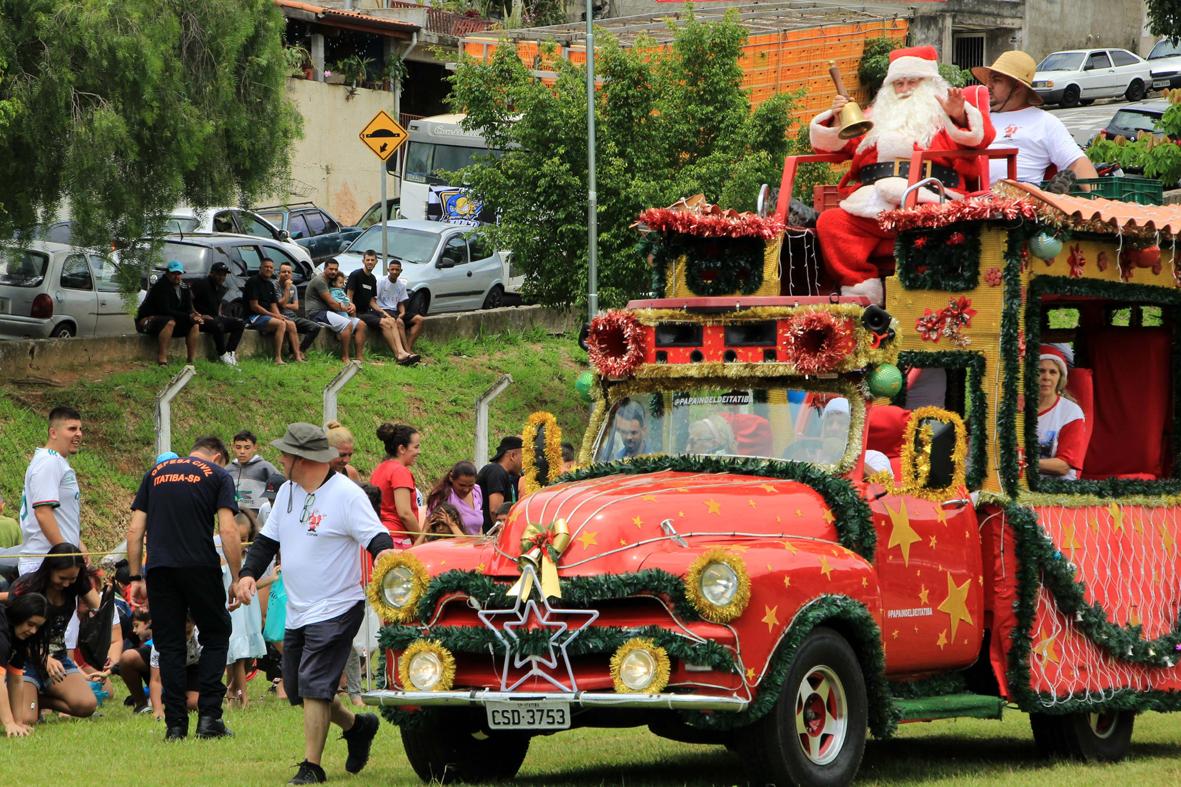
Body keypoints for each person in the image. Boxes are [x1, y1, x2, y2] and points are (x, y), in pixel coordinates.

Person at [236, 423, 393, 784]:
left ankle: (312, 767)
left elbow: (378, 537)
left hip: (338, 606)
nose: (280, 459)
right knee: (298, 689)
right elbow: (266, 543)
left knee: (314, 685)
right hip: (298, 608)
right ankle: (357, 726)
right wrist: (247, 574)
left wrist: (385, 556)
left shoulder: (346, 495)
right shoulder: (288, 491)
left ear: (302, 458)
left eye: (285, 454)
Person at [810, 46, 995, 305]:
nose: (905, 88)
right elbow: (834, 146)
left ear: (930, 83)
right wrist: (838, 119)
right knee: (832, 222)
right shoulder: (874, 119)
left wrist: (959, 115)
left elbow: (981, 137)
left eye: (913, 81)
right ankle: (862, 288)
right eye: (898, 83)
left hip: (930, 196)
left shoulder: (943, 116)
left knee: (928, 230)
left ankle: (921, 297)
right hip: (871, 203)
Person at [125, 436, 242, 741]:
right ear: (217, 457)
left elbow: (135, 529)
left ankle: (175, 725)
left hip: (160, 568)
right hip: (200, 565)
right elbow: (228, 529)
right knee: (216, 635)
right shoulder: (218, 475)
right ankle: (209, 718)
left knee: (170, 645)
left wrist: (136, 577)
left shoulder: (155, 473)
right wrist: (236, 577)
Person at [974, 51, 1099, 186]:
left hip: (1018, 199)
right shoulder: (976, 117)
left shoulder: (1045, 122)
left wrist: (1097, 201)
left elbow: (1077, 163)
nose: (988, 86)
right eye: (988, 80)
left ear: (1018, 87)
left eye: (997, 80)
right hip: (967, 197)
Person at [9, 544, 101, 723]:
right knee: (27, 719)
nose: (66, 583)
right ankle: (28, 698)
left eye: (72, 578)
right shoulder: (26, 587)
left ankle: (39, 700)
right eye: (62, 578)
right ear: (50, 568)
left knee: (87, 705)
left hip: (57, 657)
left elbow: (99, 607)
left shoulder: (73, 586)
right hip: (26, 658)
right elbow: (14, 633)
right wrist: (43, 658)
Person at [18, 406, 84, 575]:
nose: (78, 434)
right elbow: (43, 512)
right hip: (46, 563)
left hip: (56, 561)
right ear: (53, 433)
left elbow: (60, 516)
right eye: (72, 429)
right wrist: (68, 556)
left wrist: (78, 544)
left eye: (80, 429)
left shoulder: (56, 461)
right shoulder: (49, 461)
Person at [220, 511, 265, 708]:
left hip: (249, 614)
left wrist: (273, 578)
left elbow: (257, 584)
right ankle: (243, 697)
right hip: (234, 612)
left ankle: (231, 690)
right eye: (236, 539)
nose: (240, 544)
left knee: (246, 657)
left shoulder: (251, 564)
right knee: (237, 655)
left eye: (244, 539)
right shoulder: (223, 563)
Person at [347, 250, 417, 364]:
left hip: (367, 311)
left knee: (391, 320)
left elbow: (371, 301)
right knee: (385, 323)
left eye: (372, 260)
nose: (370, 262)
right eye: (367, 260)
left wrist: (383, 312)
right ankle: (398, 355)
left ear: (376, 262)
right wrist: (352, 314)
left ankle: (401, 351)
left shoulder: (372, 279)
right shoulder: (356, 275)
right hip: (357, 313)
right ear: (363, 261)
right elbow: (349, 296)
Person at [0, 592, 48, 736]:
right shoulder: (1, 634)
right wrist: (9, 723)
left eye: (37, 627)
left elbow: (15, 678)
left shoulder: (18, 636)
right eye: (30, 624)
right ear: (19, 615)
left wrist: (18, 722)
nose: (33, 631)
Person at [136, 260, 201, 365]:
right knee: (169, 322)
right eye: (173, 273)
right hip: (150, 319)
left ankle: (191, 360)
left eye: (178, 274)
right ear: (167, 273)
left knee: (195, 325)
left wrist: (193, 316)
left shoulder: (184, 287)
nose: (176, 276)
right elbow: (164, 310)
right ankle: (162, 358)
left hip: (173, 319)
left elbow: (188, 307)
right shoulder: (161, 286)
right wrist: (188, 316)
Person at [1036, 345, 1085, 480]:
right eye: (1040, 371)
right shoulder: (1017, 408)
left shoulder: (1071, 412)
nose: (1046, 377)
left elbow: (1063, 466)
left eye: (1053, 372)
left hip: (1058, 489)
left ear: (1060, 378)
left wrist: (1023, 464)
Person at [370, 424, 421, 548]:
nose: (419, 452)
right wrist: (421, 538)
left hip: (381, 535)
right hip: (398, 539)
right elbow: (405, 513)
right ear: (402, 449)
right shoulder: (400, 471)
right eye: (416, 447)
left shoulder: (381, 468)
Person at [306, 259, 366, 364]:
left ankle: (359, 357)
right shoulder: (320, 281)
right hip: (316, 313)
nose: (333, 272)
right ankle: (345, 357)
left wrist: (352, 306)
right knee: (347, 324)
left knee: (361, 324)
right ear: (324, 268)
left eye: (335, 269)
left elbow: (342, 298)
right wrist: (347, 308)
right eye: (331, 269)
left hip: (330, 312)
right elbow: (332, 303)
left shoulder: (332, 281)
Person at [244, 258, 300, 365]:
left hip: (266, 316)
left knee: (291, 324)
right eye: (266, 267)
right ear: (260, 268)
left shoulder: (269, 284)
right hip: (253, 316)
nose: (268, 269)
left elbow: (273, 305)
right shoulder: (253, 281)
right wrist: (275, 316)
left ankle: (298, 356)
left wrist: (279, 316)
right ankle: (278, 358)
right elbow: (255, 306)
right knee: (281, 324)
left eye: (271, 267)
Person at [190, 261, 245, 366]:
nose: (221, 277)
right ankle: (222, 354)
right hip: (200, 319)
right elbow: (188, 300)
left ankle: (230, 352)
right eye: (219, 274)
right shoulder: (202, 283)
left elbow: (218, 303)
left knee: (239, 323)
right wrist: (198, 314)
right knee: (217, 325)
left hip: (214, 317)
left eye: (224, 275)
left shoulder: (221, 288)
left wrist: (221, 315)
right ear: (212, 273)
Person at [147, 618, 201, 722]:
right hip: (171, 663)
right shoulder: (162, 641)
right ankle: (152, 701)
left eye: (188, 632)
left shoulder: (201, 637)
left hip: (193, 666)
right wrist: (157, 710)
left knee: (193, 703)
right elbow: (156, 680)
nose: (185, 637)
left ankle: (168, 700)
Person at [374, 259, 424, 364]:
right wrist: (382, 312)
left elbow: (400, 303)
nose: (394, 272)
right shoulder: (381, 282)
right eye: (392, 269)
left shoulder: (401, 285)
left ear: (401, 271)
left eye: (397, 270)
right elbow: (374, 299)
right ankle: (406, 353)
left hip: (395, 310)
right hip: (384, 309)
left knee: (419, 319)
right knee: (400, 322)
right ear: (388, 270)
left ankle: (408, 348)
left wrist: (403, 313)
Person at [276, 261, 323, 354]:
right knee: (291, 326)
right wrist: (286, 289)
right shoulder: (275, 285)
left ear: (292, 274)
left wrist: (284, 304)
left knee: (315, 327)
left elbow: (296, 306)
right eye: (284, 272)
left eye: (289, 272)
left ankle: (300, 351)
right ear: (278, 273)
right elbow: (280, 304)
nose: (286, 274)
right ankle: (294, 352)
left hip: (293, 316)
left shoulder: (293, 287)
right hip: (281, 317)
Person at [477, 436, 522, 532]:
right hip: (490, 536)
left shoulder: (501, 473)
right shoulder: (497, 472)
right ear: (513, 456)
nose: (524, 463)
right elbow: (495, 510)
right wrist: (500, 534)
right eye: (523, 457)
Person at [426, 461, 483, 535]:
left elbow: (479, 526)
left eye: (470, 485)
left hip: (475, 545)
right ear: (451, 478)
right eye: (462, 485)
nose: (466, 489)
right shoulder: (442, 495)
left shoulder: (477, 490)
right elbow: (430, 524)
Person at [230, 431, 279, 513]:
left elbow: (282, 485)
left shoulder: (265, 467)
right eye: (238, 447)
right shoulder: (228, 470)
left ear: (255, 447)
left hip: (259, 518)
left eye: (247, 448)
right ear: (233, 447)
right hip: (235, 516)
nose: (242, 451)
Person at [116, 609, 153, 713]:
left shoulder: (153, 643)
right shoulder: (142, 642)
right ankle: (141, 704)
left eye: (136, 625)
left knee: (192, 703)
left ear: (149, 623)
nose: (134, 630)